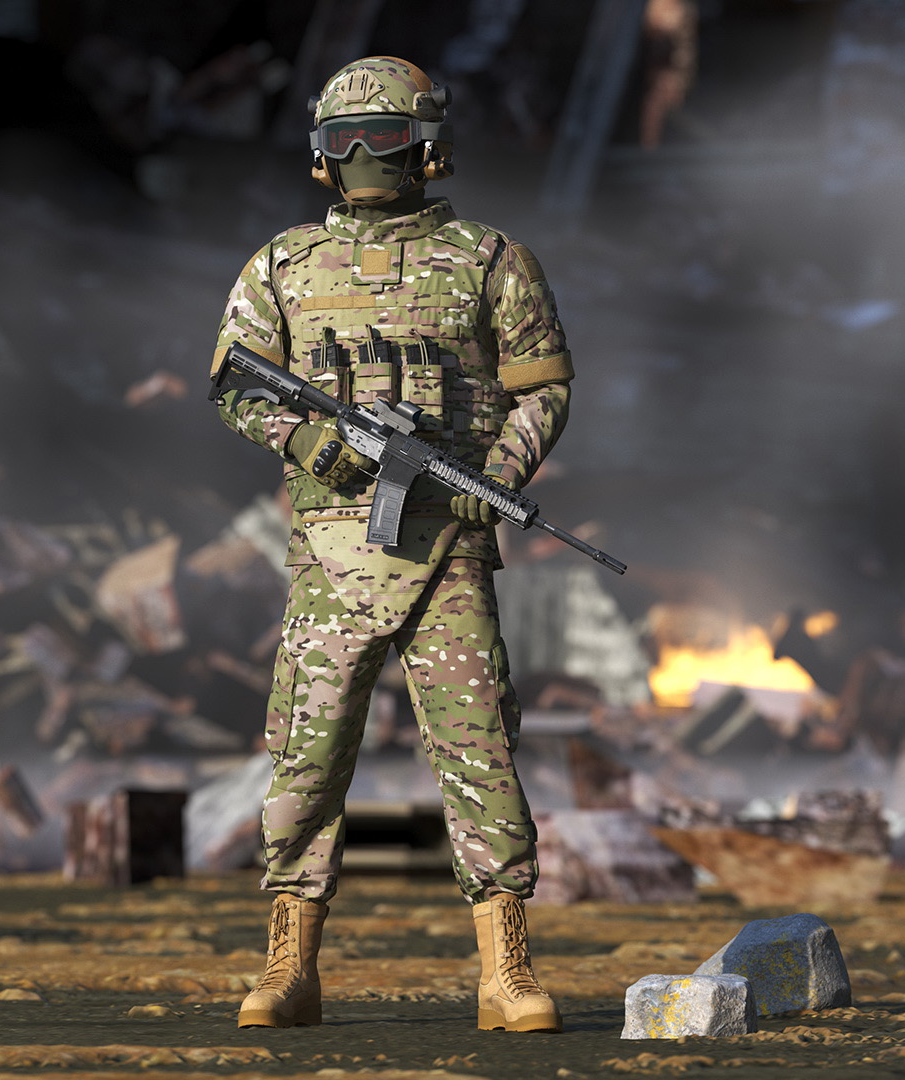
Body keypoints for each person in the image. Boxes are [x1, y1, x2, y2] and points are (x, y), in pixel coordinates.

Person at [211, 55, 572, 1034]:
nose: (366, 156)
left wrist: (497, 471)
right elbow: (237, 382)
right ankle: (292, 962)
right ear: (319, 156)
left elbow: (542, 385)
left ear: (430, 146)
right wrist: (305, 436)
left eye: (385, 137)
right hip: (330, 557)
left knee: (480, 750)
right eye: (343, 140)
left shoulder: (491, 260)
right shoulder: (283, 267)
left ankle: (505, 967)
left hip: (447, 558)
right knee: (306, 759)